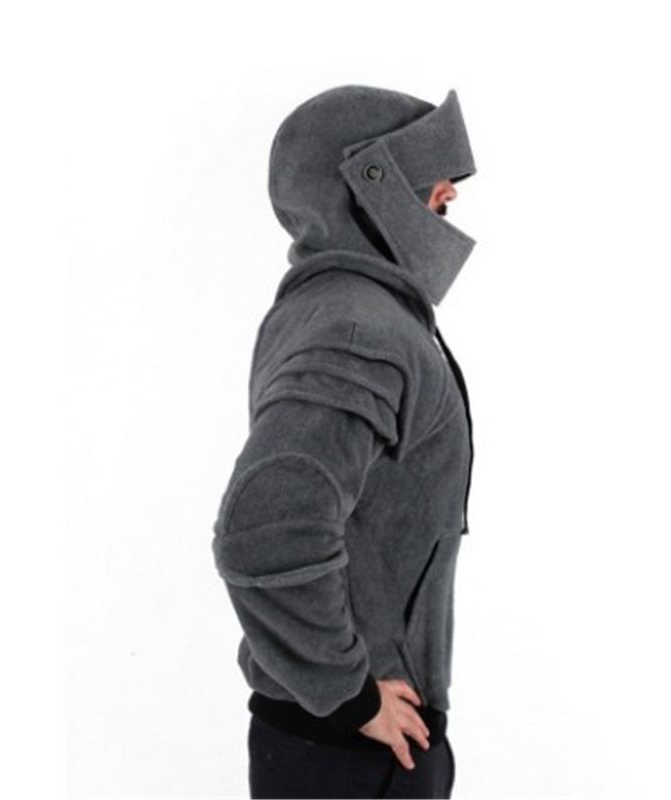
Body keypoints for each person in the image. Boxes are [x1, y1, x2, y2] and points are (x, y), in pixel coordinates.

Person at [211, 84, 478, 799]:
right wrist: (351, 696)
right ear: (371, 182)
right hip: (351, 754)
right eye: (429, 176)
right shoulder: (357, 329)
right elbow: (266, 531)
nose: (449, 191)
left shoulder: (333, 308)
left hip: (338, 746)